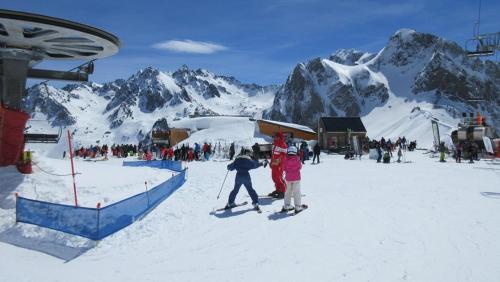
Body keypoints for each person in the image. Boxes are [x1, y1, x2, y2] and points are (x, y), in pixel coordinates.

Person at [282, 146, 305, 214]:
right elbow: (300, 167)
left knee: (287, 192)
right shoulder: (298, 159)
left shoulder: (285, 160)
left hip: (288, 178)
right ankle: (297, 207)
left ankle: (287, 205)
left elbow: (283, 168)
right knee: (296, 192)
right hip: (296, 178)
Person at [268, 132, 287, 198]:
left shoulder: (283, 144)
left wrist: (279, 160)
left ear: (279, 137)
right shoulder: (274, 143)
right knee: (274, 177)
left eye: (276, 136)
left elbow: (284, 154)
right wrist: (271, 162)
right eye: (274, 136)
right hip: (274, 163)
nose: (274, 137)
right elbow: (273, 154)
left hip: (279, 164)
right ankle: (278, 190)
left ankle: (283, 191)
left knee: (279, 177)